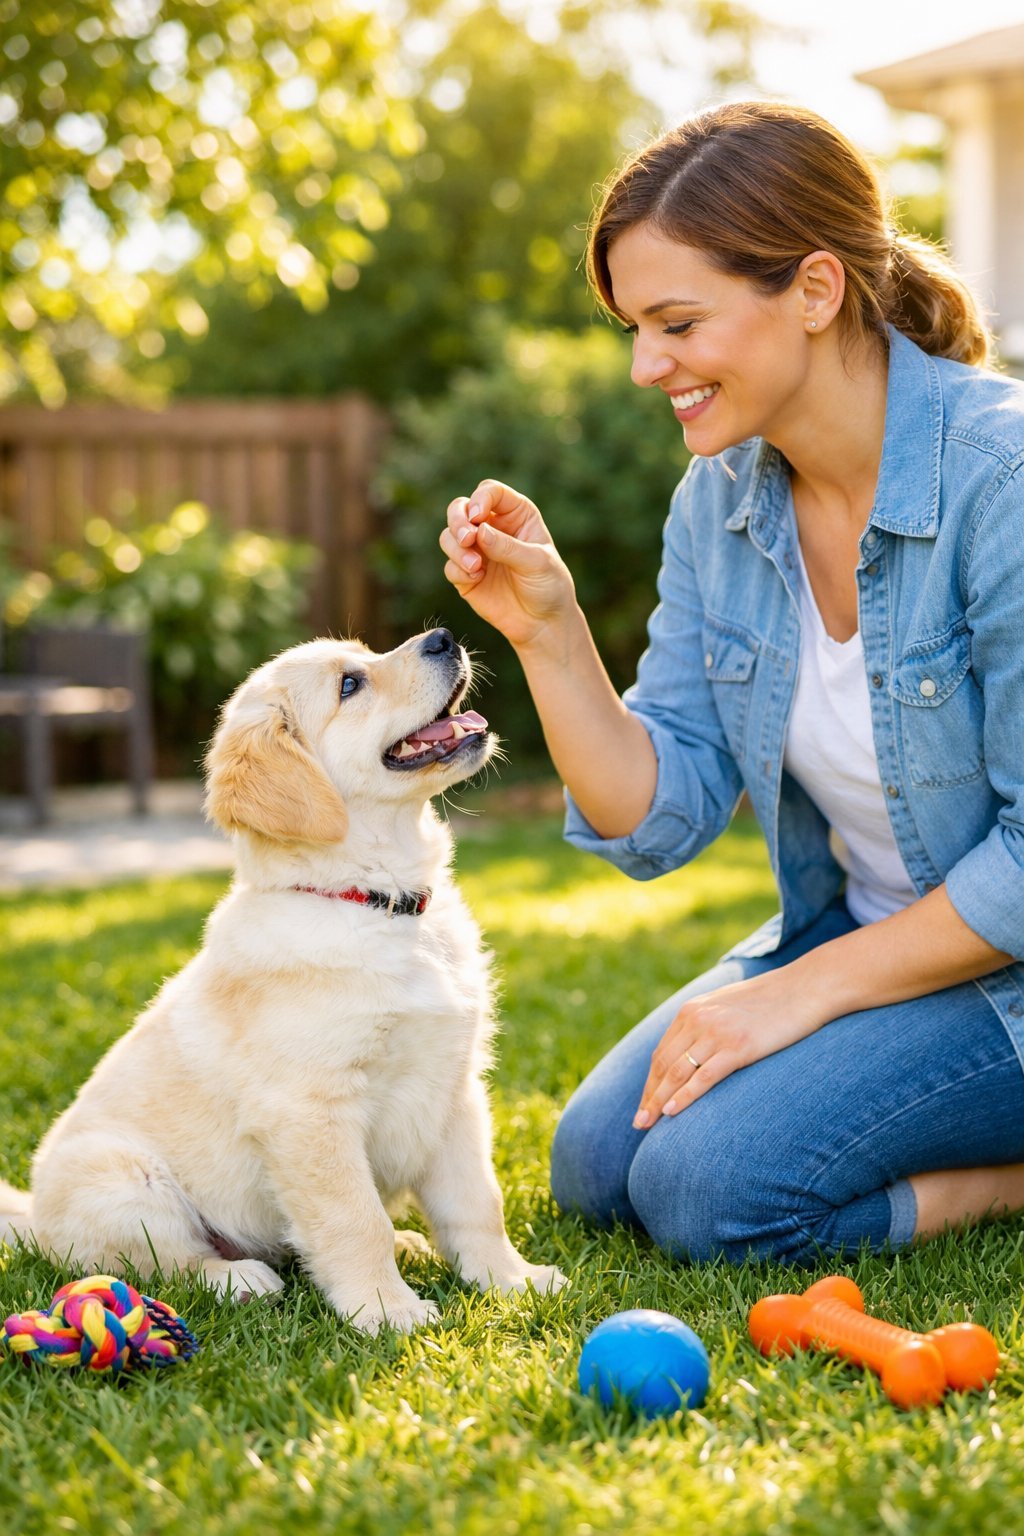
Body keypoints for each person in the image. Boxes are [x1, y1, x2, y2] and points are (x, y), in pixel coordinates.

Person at [438, 100, 1024, 1265]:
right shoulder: (722, 499)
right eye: (634, 329)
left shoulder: (997, 481)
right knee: (596, 1167)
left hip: (1004, 974)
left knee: (709, 1191)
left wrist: (800, 993)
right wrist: (548, 632)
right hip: (866, 933)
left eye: (677, 323)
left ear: (813, 290)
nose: (646, 365)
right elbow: (654, 815)